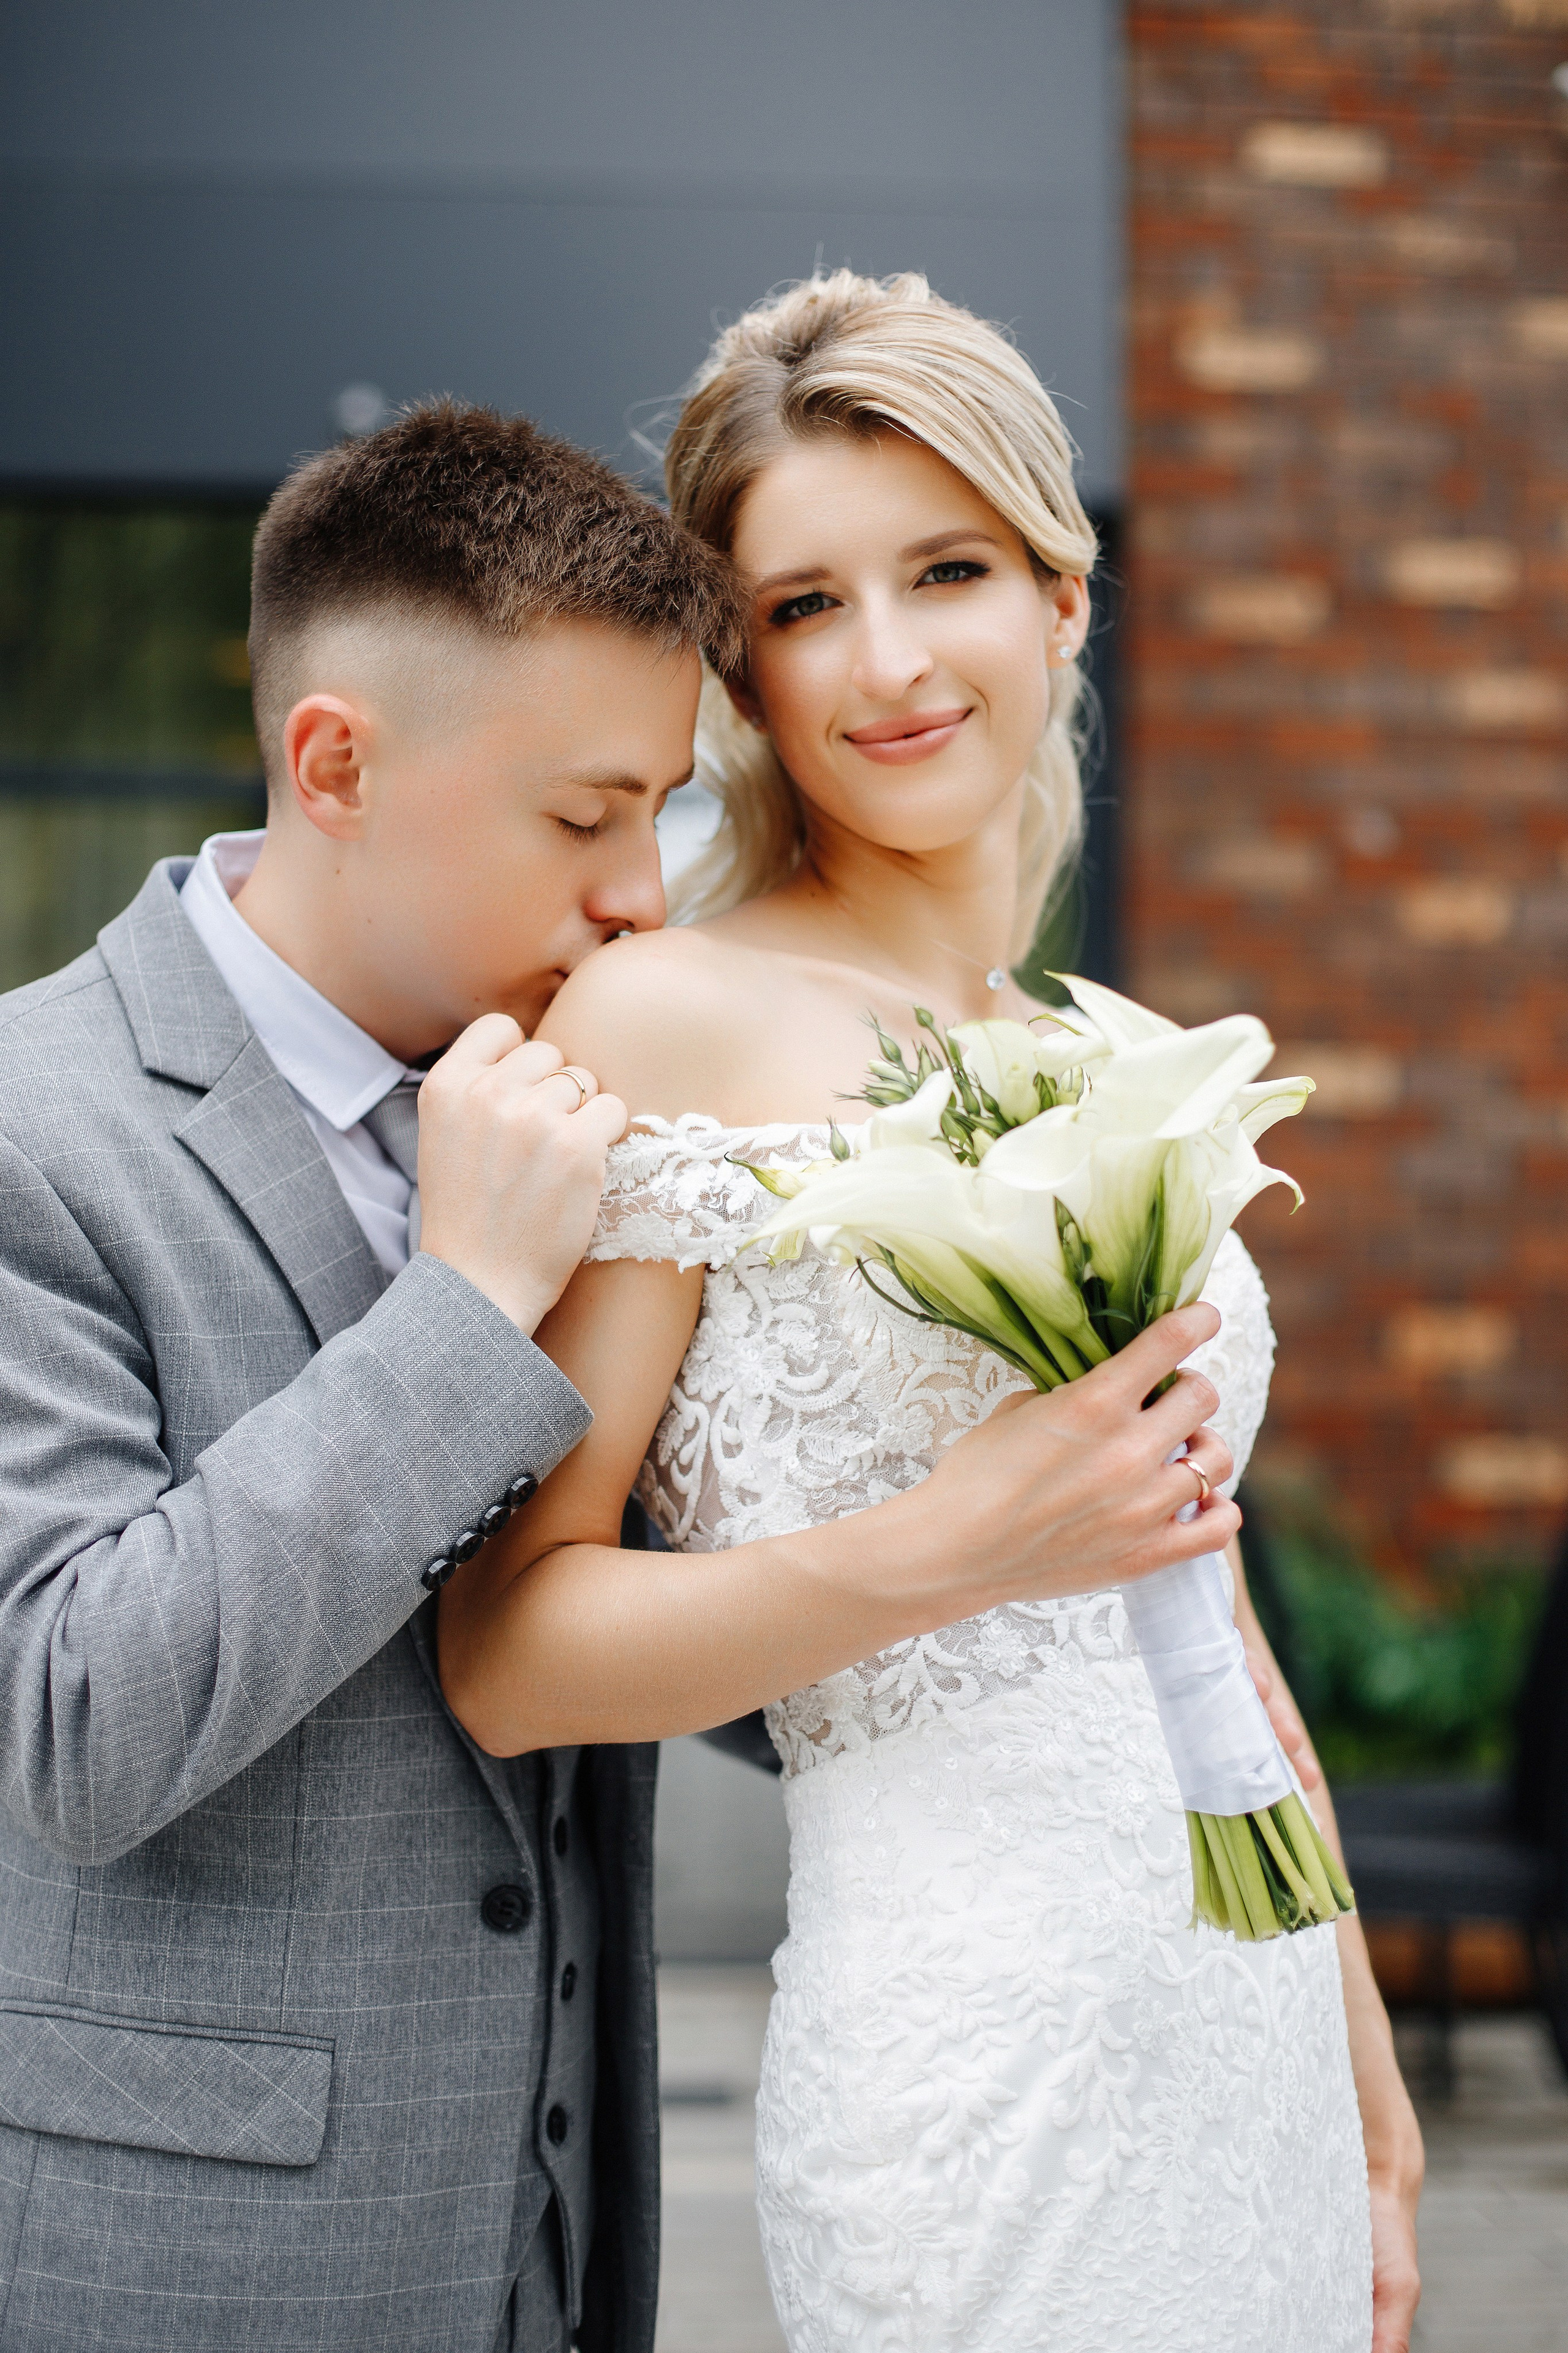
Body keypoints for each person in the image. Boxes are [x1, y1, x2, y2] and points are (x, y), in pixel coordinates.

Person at [0, 399, 1243, 2353]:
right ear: (336, 762)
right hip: (199, 2261)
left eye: (661, 814)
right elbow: (74, 1721)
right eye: (584, 818)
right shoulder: (37, 1124)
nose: (643, 896)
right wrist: (465, 1309)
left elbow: (692, 1599)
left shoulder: (586, 1095)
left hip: (570, 2262)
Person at [439, 277, 1424, 2353]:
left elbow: (1205, 1600)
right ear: (742, 675)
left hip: (1246, 2037)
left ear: (1065, 596)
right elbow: (514, 1653)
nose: (883, 662)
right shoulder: (661, 1018)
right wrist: (954, 1544)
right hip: (970, 2071)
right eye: (802, 607)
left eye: (946, 570)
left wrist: (1358, 2054)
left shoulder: (1107, 1050)